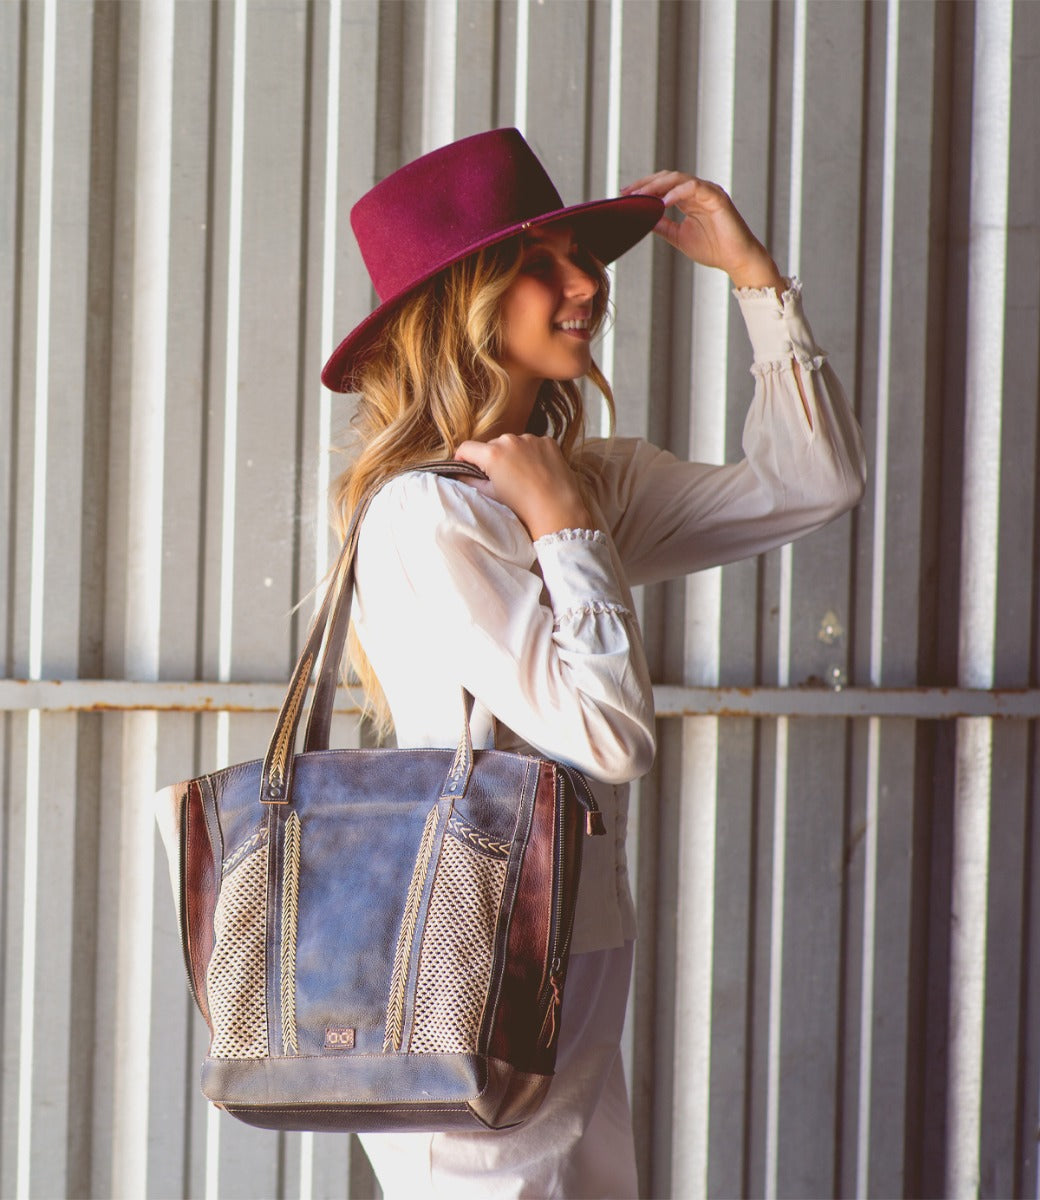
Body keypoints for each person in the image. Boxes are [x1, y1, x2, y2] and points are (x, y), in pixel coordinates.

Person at [320, 128, 866, 1199]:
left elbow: (811, 484)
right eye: (537, 263)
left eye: (577, 254)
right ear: (461, 305)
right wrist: (565, 533)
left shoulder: (574, 477)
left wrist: (756, 282)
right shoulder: (431, 514)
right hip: (468, 952)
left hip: (567, 933)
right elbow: (608, 738)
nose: (583, 284)